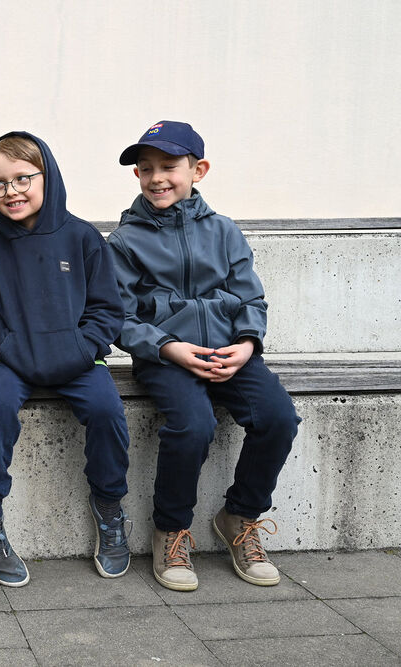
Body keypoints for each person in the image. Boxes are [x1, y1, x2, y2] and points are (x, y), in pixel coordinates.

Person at [107, 120, 299, 592]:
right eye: (145, 168)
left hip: (230, 352)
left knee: (278, 417)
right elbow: (118, 316)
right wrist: (166, 346)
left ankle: (240, 516)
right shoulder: (125, 241)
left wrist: (247, 344)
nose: (156, 177)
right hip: (166, 357)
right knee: (193, 425)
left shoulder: (224, 231)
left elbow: (251, 299)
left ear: (199, 170)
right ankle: (171, 530)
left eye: (168, 166)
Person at [0, 132, 132, 587]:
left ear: (49, 177)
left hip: (76, 359)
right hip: (9, 358)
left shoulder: (82, 237)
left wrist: (81, 348)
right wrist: (7, 346)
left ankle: (109, 507)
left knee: (107, 410)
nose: (11, 191)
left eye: (23, 178)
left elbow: (107, 310)